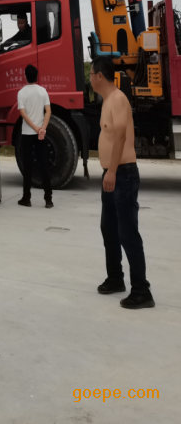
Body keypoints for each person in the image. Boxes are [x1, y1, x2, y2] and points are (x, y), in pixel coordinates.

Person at [90, 56, 154, 309]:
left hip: (122, 174)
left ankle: (142, 291)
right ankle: (115, 278)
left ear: (100, 76)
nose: (89, 79)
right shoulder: (108, 100)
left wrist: (113, 171)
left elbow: (120, 136)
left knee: (128, 232)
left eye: (91, 74)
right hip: (113, 174)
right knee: (109, 229)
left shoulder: (118, 99)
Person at [17, 64, 53, 208]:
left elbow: (23, 114)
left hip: (27, 134)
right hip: (40, 135)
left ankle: (26, 198)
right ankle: (48, 199)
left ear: (25, 76)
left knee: (28, 166)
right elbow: (48, 111)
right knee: (44, 165)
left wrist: (35, 128)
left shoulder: (21, 93)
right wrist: (42, 129)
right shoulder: (43, 91)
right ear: (36, 76)